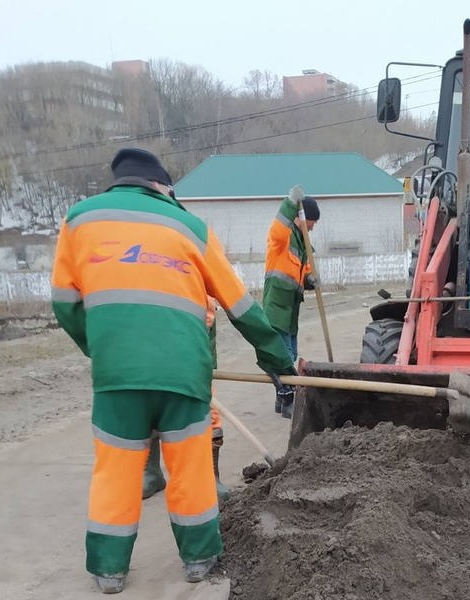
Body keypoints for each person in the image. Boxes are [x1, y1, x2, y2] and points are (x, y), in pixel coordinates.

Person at [51, 148, 296, 594]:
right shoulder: (189, 226)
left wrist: (102, 347)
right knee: (191, 469)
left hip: (117, 378)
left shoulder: (79, 221)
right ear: (163, 186)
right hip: (184, 375)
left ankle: (109, 571)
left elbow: (64, 302)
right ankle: (199, 560)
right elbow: (240, 304)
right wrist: (279, 361)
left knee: (116, 471)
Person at [143, 300, 230, 504]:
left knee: (204, 408)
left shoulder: (193, 271)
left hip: (192, 339)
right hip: (147, 341)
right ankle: (150, 472)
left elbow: (204, 306)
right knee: (148, 401)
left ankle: (210, 477)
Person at [262, 186, 320, 419]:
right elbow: (277, 231)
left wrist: (310, 279)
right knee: (282, 355)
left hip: (290, 308)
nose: (314, 226)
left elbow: (303, 274)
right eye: (313, 221)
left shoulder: (303, 244)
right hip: (276, 305)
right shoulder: (283, 239)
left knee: (291, 352)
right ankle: (286, 397)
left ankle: (280, 398)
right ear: (302, 218)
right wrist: (289, 203)